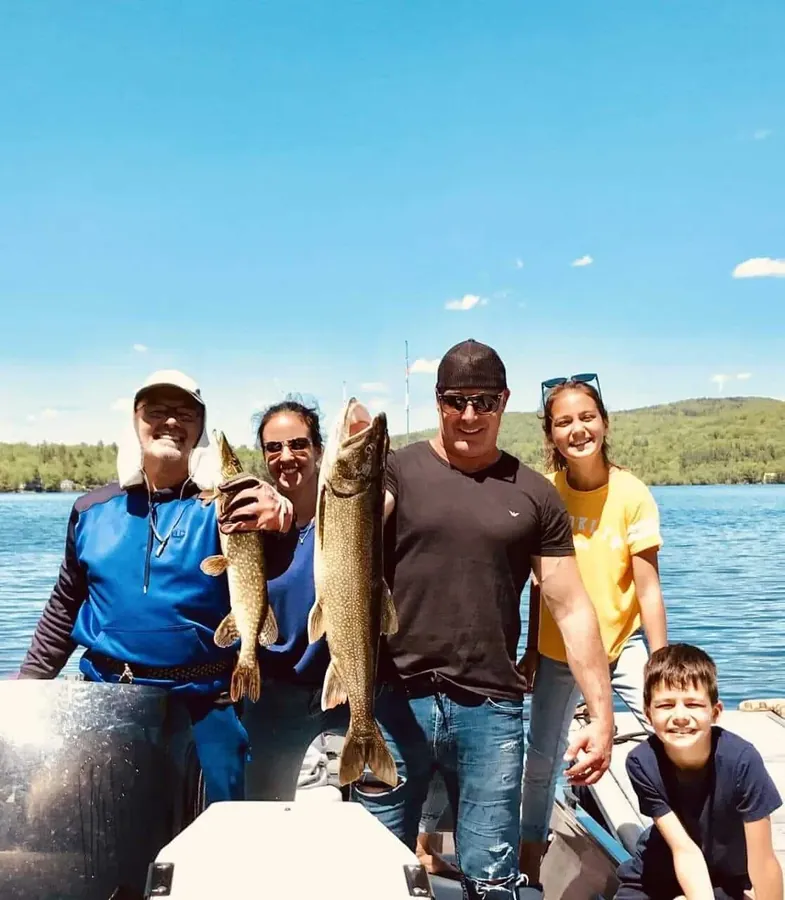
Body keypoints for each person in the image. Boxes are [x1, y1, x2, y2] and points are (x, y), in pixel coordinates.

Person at [350, 338, 615, 900]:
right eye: (455, 400)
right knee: (375, 871)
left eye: (484, 401)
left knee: (492, 881)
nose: (470, 415)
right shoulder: (395, 471)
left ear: (505, 401)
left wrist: (601, 713)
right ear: (437, 402)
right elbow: (355, 526)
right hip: (395, 698)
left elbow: (570, 606)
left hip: (492, 709)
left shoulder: (536, 495)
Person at [17, 370, 249, 805]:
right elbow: (65, 607)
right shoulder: (91, 510)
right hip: (106, 701)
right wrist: (28, 686)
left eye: (184, 413)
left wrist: (277, 506)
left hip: (206, 706)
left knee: (223, 843)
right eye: (157, 412)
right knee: (100, 834)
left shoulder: (227, 511)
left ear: (200, 426)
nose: (170, 422)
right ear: (135, 420)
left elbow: (272, 569)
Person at [517, 374, 668, 887]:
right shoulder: (546, 494)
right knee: (541, 761)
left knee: (669, 734)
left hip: (620, 648)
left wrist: (660, 661)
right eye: (564, 422)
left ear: (603, 422)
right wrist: (532, 650)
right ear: (551, 434)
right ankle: (529, 863)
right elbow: (542, 585)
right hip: (557, 651)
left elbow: (647, 589)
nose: (578, 429)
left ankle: (675, 843)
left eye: (587, 417)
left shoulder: (632, 495)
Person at [215, 396, 373, 800]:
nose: (287, 456)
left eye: (299, 444)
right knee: (266, 821)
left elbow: (383, 482)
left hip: (340, 691)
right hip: (272, 698)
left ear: (320, 450)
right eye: (274, 448)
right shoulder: (249, 520)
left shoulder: (347, 516)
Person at [615, 643, 782, 900]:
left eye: (692, 704)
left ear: (715, 713)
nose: (680, 716)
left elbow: (763, 861)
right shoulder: (641, 763)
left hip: (726, 878)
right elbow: (684, 850)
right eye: (665, 705)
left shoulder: (742, 762)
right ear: (647, 714)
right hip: (659, 871)